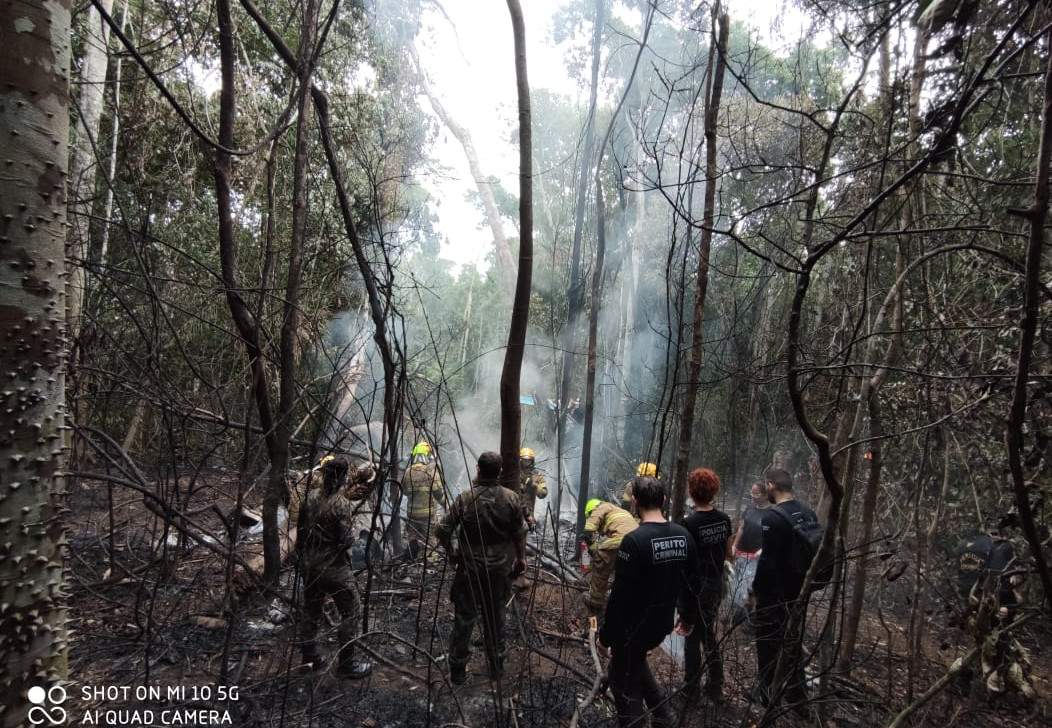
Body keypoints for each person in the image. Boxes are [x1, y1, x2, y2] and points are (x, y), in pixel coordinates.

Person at [597, 476, 701, 728]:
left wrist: (606, 636)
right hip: (660, 624)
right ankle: (664, 717)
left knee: (623, 681)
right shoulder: (683, 535)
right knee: (637, 661)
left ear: (634, 502)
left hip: (632, 628)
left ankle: (634, 722)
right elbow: (694, 582)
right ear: (663, 500)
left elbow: (619, 597)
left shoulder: (634, 541)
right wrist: (688, 618)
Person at [436, 451, 527, 684]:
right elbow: (519, 533)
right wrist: (521, 558)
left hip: (469, 571)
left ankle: (457, 671)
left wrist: (452, 552)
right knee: (495, 617)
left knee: (465, 619)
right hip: (499, 572)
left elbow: (442, 528)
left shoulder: (467, 498)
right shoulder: (511, 498)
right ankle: (496, 668)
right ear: (500, 472)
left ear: (478, 469)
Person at [295, 457, 374, 679]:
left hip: (311, 566)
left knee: (311, 611)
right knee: (351, 611)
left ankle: (308, 658)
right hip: (334, 569)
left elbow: (300, 534)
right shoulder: (340, 503)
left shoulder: (308, 499)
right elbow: (346, 539)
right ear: (340, 478)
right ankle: (346, 665)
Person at [747, 467, 816, 709]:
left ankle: (766, 693)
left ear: (770, 485)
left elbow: (768, 562)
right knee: (793, 639)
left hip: (774, 593)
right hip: (799, 589)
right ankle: (798, 694)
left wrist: (755, 591)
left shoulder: (773, 517)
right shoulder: (807, 512)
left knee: (767, 641)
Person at [681, 468, 733, 699]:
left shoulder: (689, 524)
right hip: (715, 585)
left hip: (695, 587)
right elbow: (729, 553)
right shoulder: (724, 519)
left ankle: (691, 689)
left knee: (692, 635)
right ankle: (715, 685)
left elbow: (684, 561)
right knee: (707, 634)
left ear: (692, 491)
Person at [581, 498, 638, 621]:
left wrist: (591, 546)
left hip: (620, 540)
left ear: (592, 511)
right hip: (637, 543)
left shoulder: (600, 508)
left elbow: (589, 529)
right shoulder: (621, 511)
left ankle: (595, 600)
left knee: (602, 559)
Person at [729, 481, 769, 626]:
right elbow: (742, 527)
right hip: (741, 551)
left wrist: (764, 549)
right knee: (736, 583)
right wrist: (734, 544)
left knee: (750, 587)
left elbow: (773, 535)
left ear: (765, 495)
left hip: (756, 556)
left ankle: (749, 619)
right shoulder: (749, 508)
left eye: (756, 493)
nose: (753, 496)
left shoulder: (770, 513)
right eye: (752, 492)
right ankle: (737, 615)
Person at [400, 441, 445, 560]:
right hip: (427, 514)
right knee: (430, 538)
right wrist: (447, 505)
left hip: (412, 514)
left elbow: (404, 492)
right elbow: (438, 494)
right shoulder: (430, 472)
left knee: (413, 537)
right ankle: (430, 561)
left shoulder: (407, 472)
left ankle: (414, 560)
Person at [518, 447, 549, 529]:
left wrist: (532, 484)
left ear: (532, 461)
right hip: (513, 510)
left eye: (528, 460)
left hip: (528, 513)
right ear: (520, 460)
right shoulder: (514, 472)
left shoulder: (537, 475)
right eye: (524, 460)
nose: (526, 462)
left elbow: (543, 493)